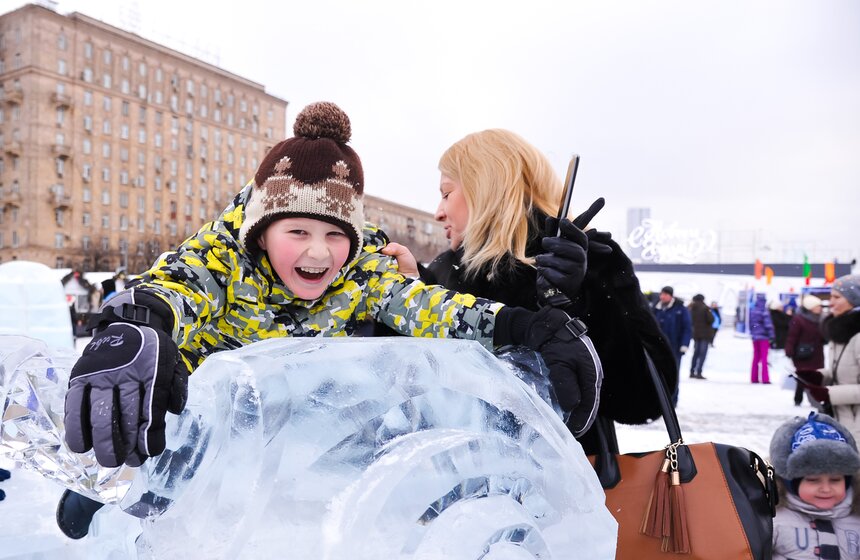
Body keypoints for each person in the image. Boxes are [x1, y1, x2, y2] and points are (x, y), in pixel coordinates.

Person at [57, 104, 601, 538]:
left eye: (335, 235)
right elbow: (174, 284)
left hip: (300, 432)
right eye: (297, 232)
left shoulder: (361, 271)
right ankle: (118, 482)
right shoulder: (225, 253)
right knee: (161, 495)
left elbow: (434, 309)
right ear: (261, 230)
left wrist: (526, 327)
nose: (319, 252)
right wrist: (137, 325)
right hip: (204, 421)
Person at [382, 128, 677, 455]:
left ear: (486, 189)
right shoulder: (441, 273)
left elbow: (643, 401)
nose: (438, 211)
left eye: (446, 193)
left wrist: (580, 300)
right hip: (452, 490)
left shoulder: (591, 259)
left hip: (560, 494)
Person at [769, 411, 860, 559]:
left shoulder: (856, 519)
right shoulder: (774, 520)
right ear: (791, 482)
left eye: (835, 480)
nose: (826, 489)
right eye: (813, 480)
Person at [796, 275, 860, 441]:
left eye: (837, 297)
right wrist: (820, 376)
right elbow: (847, 372)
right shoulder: (840, 331)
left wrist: (829, 393)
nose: (830, 302)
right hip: (843, 422)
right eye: (831, 296)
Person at [785, 295, 826, 406]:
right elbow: (792, 336)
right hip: (802, 354)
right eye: (817, 306)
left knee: (816, 377)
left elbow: (823, 336)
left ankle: (815, 400)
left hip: (817, 353)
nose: (820, 308)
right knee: (802, 378)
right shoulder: (798, 319)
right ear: (810, 307)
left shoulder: (821, 319)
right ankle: (798, 399)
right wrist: (789, 350)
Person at [651, 285, 692, 377]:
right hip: (658, 347)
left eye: (665, 294)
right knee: (658, 374)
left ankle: (673, 391)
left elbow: (687, 328)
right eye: (661, 294)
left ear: (671, 296)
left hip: (674, 347)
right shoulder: (656, 308)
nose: (662, 296)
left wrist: (684, 344)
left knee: (673, 373)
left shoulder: (680, 309)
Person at [749, 293, 775, 384]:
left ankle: (754, 378)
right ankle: (765, 379)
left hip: (755, 337)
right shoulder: (764, 311)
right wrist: (772, 336)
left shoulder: (753, 311)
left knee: (756, 358)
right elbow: (768, 325)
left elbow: (752, 324)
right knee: (764, 359)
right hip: (764, 337)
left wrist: (753, 333)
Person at [687, 294, 714, 379]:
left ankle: (692, 371)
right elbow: (711, 319)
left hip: (696, 334)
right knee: (702, 354)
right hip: (705, 334)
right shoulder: (705, 308)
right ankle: (699, 372)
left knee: (696, 353)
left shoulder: (691, 308)